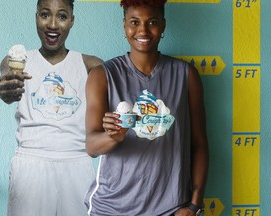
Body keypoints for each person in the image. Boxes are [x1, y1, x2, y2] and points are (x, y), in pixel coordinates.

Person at [84, 0, 209, 215]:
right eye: (134, 22)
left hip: (171, 208)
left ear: (163, 25)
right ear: (124, 26)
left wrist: (194, 205)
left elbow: (199, 143)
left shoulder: (186, 75)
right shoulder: (102, 76)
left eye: (152, 22)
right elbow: (92, 147)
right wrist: (113, 136)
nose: (142, 30)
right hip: (113, 208)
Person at [0, 0, 102, 215]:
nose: (52, 24)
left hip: (77, 163)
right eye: (45, 15)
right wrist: (0, 88)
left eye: (62, 16)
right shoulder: (17, 62)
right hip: (30, 163)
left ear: (72, 21)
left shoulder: (91, 65)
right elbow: (5, 84)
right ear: (36, 17)